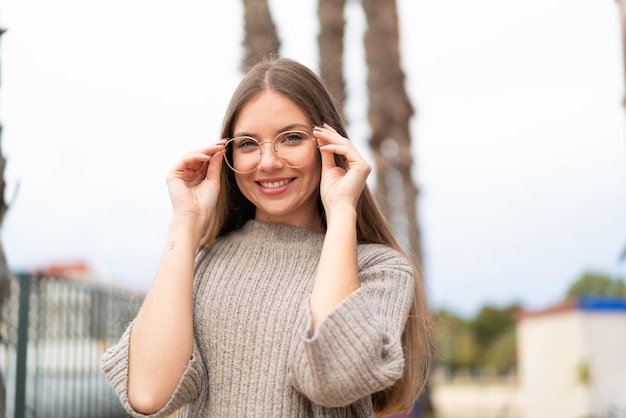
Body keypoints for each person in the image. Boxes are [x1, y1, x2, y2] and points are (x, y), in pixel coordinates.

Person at [101, 57, 434, 417]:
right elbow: (148, 394)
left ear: (331, 144)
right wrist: (185, 220)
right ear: (227, 155)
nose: (268, 162)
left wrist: (341, 210)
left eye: (291, 138)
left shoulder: (379, 270)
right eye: (248, 144)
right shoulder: (200, 264)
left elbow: (336, 379)